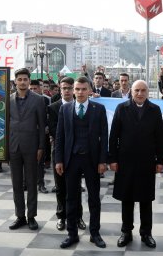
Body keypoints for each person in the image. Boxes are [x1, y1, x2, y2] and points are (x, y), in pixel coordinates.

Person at [109, 80, 163, 248]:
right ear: (131, 92)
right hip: (125, 161)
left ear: (148, 92)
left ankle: (146, 233)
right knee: (127, 198)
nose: (140, 94)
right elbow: (114, 136)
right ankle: (126, 231)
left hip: (147, 161)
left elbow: (160, 138)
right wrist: (112, 159)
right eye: (137, 90)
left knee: (146, 199)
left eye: (143, 90)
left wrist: (160, 160)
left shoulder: (155, 110)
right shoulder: (122, 108)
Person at [54, 77, 108, 249]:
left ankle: (95, 233)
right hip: (72, 159)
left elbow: (104, 137)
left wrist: (102, 161)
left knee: (94, 198)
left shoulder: (98, 109)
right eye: (77, 89)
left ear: (90, 90)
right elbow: (60, 137)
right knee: (71, 197)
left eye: (84, 89)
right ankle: (72, 234)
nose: (80, 92)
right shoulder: (65, 108)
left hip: (92, 159)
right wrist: (59, 160)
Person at [7, 68, 47, 231]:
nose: (22, 82)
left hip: (32, 147)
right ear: (15, 81)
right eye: (20, 79)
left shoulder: (38, 100)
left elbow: (42, 125)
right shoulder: (8, 100)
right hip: (13, 146)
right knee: (16, 184)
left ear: (29, 81)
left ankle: (31, 216)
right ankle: (20, 216)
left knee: (31, 183)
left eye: (25, 79)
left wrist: (41, 147)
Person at [48, 77, 86, 231]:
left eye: (70, 88)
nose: (67, 91)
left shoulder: (80, 106)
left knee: (76, 187)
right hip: (59, 152)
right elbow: (53, 130)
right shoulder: (53, 107)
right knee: (60, 187)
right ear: (60, 89)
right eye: (64, 88)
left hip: (76, 153)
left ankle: (78, 217)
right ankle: (61, 217)